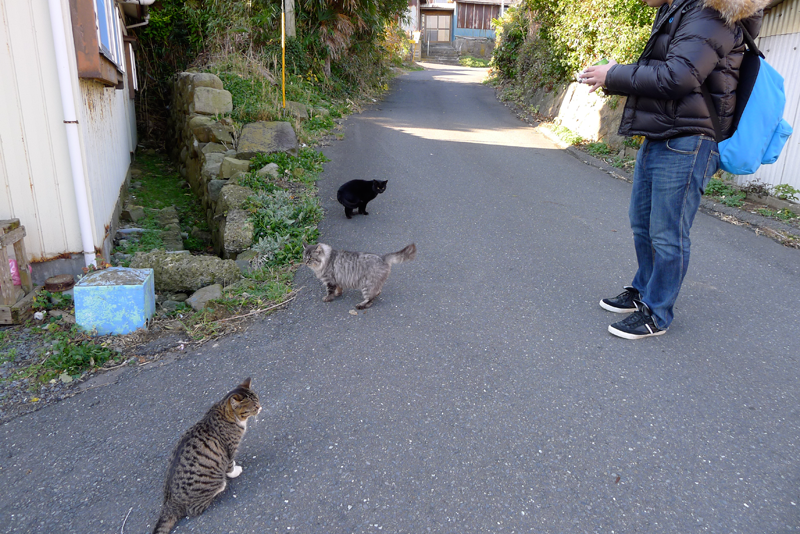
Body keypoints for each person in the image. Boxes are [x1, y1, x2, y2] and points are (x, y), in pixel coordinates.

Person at [579, 0, 766, 339]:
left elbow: (677, 78)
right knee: (643, 223)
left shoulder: (710, 13)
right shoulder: (682, 9)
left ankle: (657, 313)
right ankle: (643, 290)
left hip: (688, 140)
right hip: (664, 132)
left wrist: (614, 74)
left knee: (668, 233)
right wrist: (615, 76)